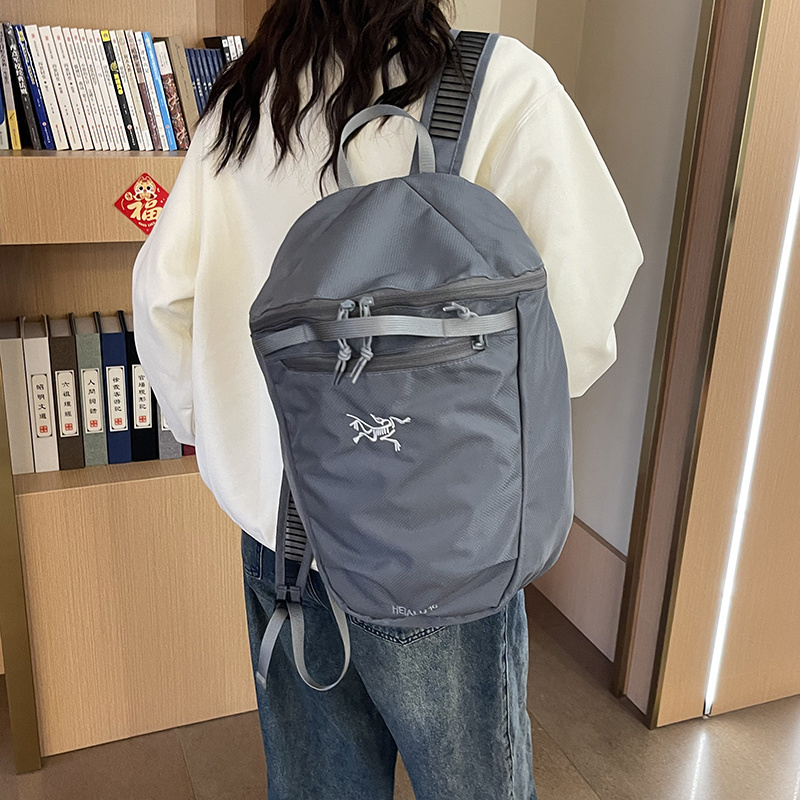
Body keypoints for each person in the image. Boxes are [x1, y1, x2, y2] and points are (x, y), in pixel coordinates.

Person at [132, 2, 644, 798]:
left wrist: (217, 431)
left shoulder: (245, 103)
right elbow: (582, 312)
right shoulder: (502, 84)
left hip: (286, 536)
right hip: (449, 542)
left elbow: (163, 302)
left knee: (318, 785)